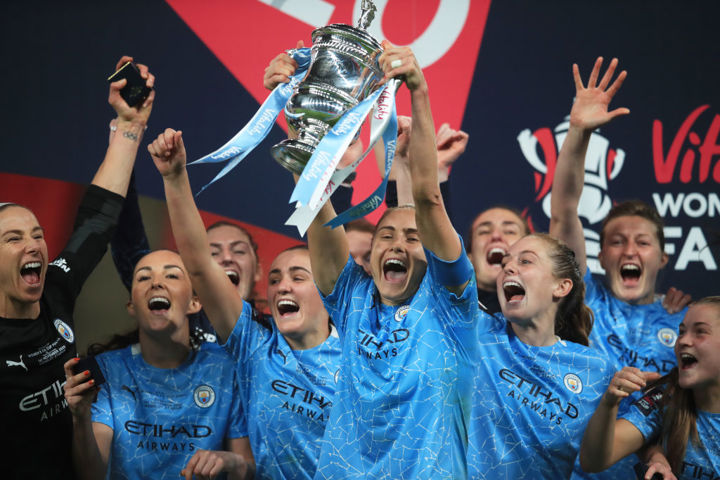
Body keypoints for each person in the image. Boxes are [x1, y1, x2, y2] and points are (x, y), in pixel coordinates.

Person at [303, 42, 481, 479]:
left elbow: (426, 197)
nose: (397, 243)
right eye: (385, 234)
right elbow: (316, 209)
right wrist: (300, 128)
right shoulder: (352, 300)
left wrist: (417, 89)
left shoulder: (452, 308)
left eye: (413, 237)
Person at [150, 127, 340, 479]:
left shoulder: (361, 352)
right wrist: (175, 177)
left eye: (298, 277)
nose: (282, 286)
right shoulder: (256, 349)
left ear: (328, 290)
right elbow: (200, 267)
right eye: (275, 279)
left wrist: (310, 163)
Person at [0, 55, 154, 479]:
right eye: (13, 239)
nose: (33, 245)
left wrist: (129, 126)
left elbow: (97, 221)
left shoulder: (54, 288)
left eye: (36, 234)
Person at [549, 56, 691, 479]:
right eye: (616, 241)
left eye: (642, 242)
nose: (629, 250)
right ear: (601, 255)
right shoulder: (582, 301)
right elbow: (564, 213)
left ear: (662, 258)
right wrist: (579, 132)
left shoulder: (688, 325)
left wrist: (654, 454)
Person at [63, 250, 253, 479]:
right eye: (144, 277)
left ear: (194, 302)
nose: (156, 283)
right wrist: (80, 416)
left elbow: (248, 467)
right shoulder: (107, 371)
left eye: (172, 276)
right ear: (131, 306)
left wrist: (229, 460)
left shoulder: (225, 370)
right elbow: (92, 475)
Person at [467, 233, 615, 478]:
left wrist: (655, 456)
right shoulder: (477, 332)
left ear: (561, 286)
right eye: (504, 264)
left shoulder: (596, 368)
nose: (508, 268)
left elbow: (627, 430)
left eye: (525, 261)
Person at [580, 297, 720, 480]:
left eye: (700, 332)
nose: (683, 340)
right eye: (681, 332)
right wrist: (610, 402)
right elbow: (593, 461)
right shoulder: (666, 396)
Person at [467, 206, 531, 313]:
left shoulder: (551, 303)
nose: (496, 235)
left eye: (509, 231)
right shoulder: (448, 309)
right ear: (469, 258)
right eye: (484, 232)